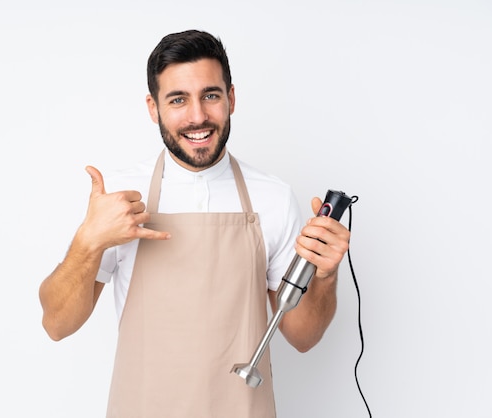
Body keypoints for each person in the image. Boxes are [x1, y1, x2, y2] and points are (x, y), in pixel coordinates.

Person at [39, 29, 351, 418]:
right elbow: (57, 324)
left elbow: (303, 336)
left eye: (211, 95)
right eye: (178, 99)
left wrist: (324, 275)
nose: (198, 116)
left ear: (231, 98)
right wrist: (89, 242)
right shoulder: (120, 197)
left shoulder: (272, 197)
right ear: (153, 108)